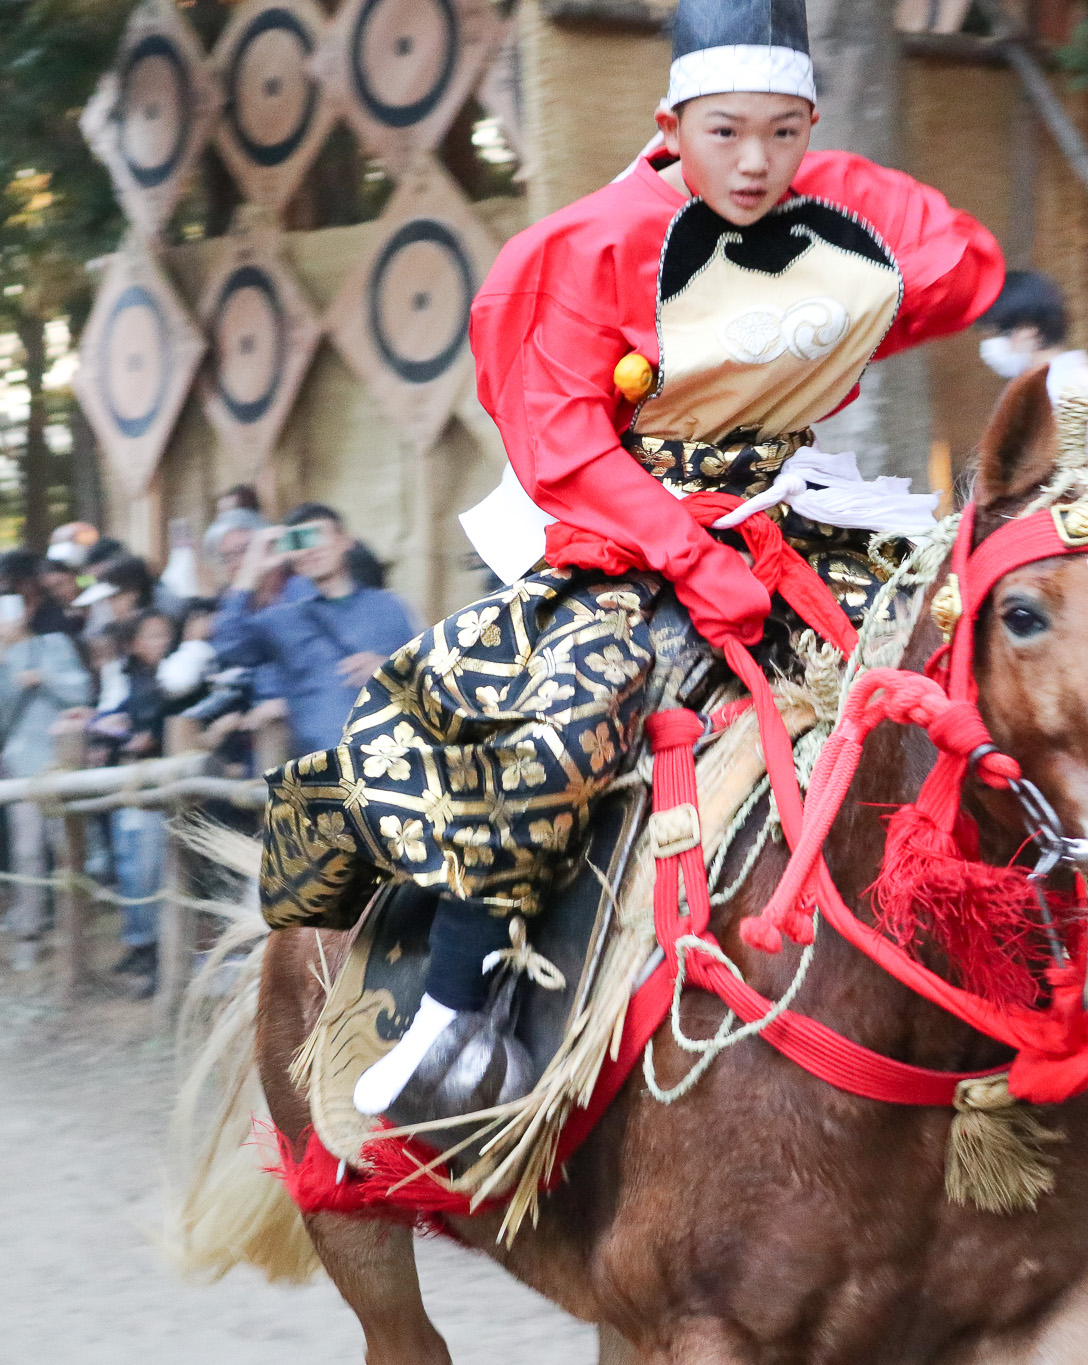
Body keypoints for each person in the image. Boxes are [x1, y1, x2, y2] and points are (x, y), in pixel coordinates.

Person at [262, 0, 1004, 1126]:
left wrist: (839, 202)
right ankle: (461, 1010)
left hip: (800, 514)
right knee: (567, 714)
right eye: (725, 132)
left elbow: (960, 268)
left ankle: (1015, 966)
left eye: (783, 132)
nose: (754, 162)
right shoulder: (588, 246)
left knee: (973, 670)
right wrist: (684, 558)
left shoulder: (826, 215)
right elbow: (561, 441)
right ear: (670, 123)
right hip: (627, 539)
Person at [212, 504, 417, 759]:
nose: (311, 549)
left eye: (318, 536)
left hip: (393, 759)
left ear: (344, 541)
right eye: (300, 541)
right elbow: (229, 646)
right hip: (324, 770)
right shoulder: (282, 619)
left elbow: (431, 677)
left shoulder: (389, 607)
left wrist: (390, 669)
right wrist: (252, 569)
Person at [0, 585, 92, 970]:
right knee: (26, 851)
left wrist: (44, 678)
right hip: (17, 766)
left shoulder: (53, 645)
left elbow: (82, 690)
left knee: (66, 847)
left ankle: (76, 934)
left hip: (58, 758)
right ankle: (29, 934)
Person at [90, 610, 181, 990]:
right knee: (131, 866)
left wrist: (151, 736)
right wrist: (106, 728)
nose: (158, 643)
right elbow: (109, 718)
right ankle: (139, 942)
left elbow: (177, 720)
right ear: (135, 642)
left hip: (162, 785)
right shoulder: (126, 677)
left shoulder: (181, 677)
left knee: (154, 866)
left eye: (164, 635)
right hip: (128, 780)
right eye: (150, 636)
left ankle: (159, 953)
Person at [976, 269, 1088, 456]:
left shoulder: (1058, 392)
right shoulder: (1087, 383)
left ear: (1029, 330)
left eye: (1000, 333)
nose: (993, 344)